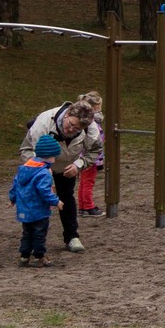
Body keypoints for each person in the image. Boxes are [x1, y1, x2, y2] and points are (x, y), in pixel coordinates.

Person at [21, 100, 93, 253]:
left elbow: (95, 150)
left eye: (77, 128)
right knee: (38, 200)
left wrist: (78, 164)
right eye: (70, 124)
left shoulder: (90, 129)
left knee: (66, 196)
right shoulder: (43, 123)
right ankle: (32, 242)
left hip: (66, 166)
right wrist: (42, 170)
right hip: (37, 163)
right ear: (67, 114)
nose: (71, 129)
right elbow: (31, 149)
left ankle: (72, 237)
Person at [11, 133, 64, 266]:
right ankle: (39, 256)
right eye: (54, 156)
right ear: (49, 156)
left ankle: (24, 256)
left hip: (24, 209)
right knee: (39, 233)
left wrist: (12, 198)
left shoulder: (25, 168)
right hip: (38, 210)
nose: (55, 159)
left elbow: (15, 184)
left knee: (27, 232)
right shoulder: (44, 173)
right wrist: (56, 201)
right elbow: (44, 191)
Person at [73, 91, 106, 216]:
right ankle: (88, 206)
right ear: (96, 107)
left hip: (86, 155)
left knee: (84, 181)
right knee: (88, 182)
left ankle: (83, 206)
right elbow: (95, 140)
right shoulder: (91, 121)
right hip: (90, 156)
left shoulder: (85, 120)